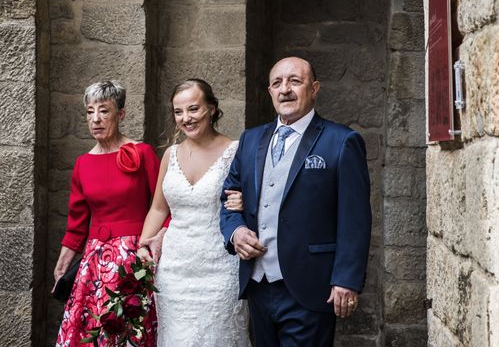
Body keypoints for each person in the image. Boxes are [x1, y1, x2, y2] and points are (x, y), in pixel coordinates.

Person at [219, 57, 372, 347]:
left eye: (295, 81)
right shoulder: (251, 140)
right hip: (258, 284)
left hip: (312, 285)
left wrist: (347, 279)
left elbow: (355, 218)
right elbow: (227, 197)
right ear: (270, 92)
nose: (285, 89)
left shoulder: (342, 141)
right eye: (277, 83)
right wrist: (236, 231)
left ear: (314, 89)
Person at [139, 79, 251, 347]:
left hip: (221, 269)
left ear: (211, 109)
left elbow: (253, 200)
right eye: (179, 112)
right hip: (174, 272)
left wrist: (245, 202)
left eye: (193, 109)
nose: (186, 118)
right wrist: (143, 245)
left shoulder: (236, 151)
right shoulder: (171, 154)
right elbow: (158, 207)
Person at [54, 80, 164, 347]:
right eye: (90, 112)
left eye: (104, 111)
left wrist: (158, 241)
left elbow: (164, 205)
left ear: (121, 114)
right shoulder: (83, 164)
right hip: (95, 262)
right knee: (90, 332)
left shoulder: (143, 153)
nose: (96, 119)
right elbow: (77, 224)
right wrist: (63, 264)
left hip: (135, 258)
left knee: (131, 330)